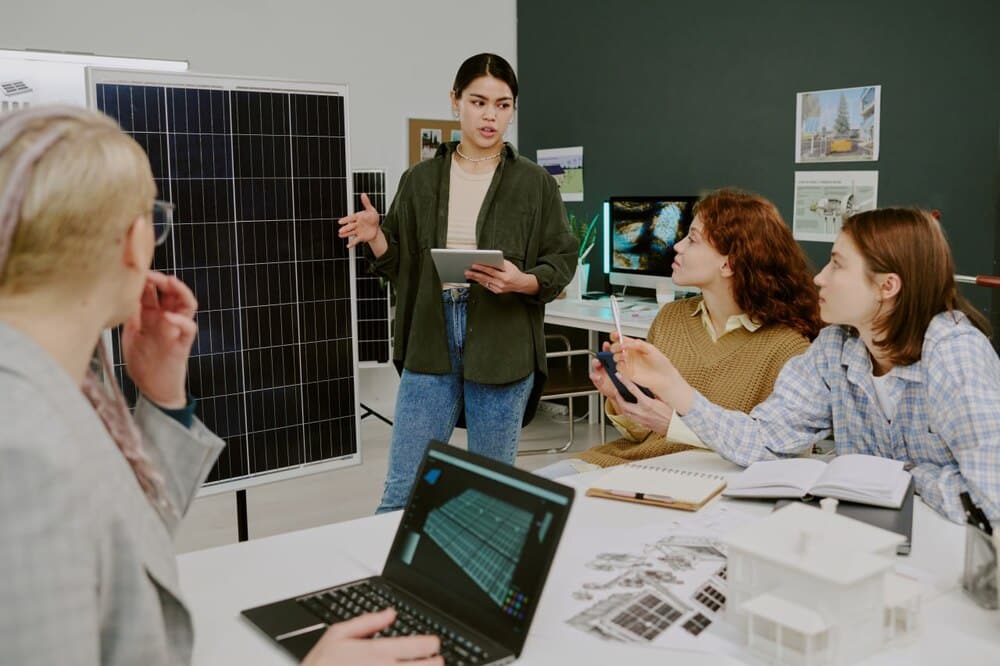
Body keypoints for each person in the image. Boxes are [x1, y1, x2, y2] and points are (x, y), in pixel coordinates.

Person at [0, 106, 441, 665]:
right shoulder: (22, 454)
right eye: (152, 218)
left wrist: (163, 400)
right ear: (133, 241)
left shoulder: (61, 378)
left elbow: (121, 544)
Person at [613, 207, 1000, 524]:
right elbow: (765, 439)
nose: (819, 277)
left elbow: (990, 499)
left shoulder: (955, 356)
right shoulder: (835, 347)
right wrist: (675, 389)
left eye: (837, 265)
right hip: (868, 536)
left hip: (954, 551)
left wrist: (903, 475)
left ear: (887, 286)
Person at [338, 53, 577, 513]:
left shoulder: (535, 184)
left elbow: (561, 259)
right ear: (456, 101)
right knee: (403, 492)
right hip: (431, 335)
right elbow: (400, 267)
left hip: (504, 342)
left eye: (502, 105)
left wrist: (523, 281)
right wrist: (375, 236)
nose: (490, 116)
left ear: (513, 109)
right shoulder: (420, 180)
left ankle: (480, 560)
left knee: (490, 494)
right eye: (478, 101)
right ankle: (392, 563)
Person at [535, 188, 821, 478]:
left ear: (728, 263)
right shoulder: (671, 318)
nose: (678, 246)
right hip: (624, 464)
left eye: (692, 239)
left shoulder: (787, 349)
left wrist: (672, 423)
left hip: (700, 480)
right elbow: (642, 435)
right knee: (527, 489)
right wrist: (622, 398)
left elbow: (774, 453)